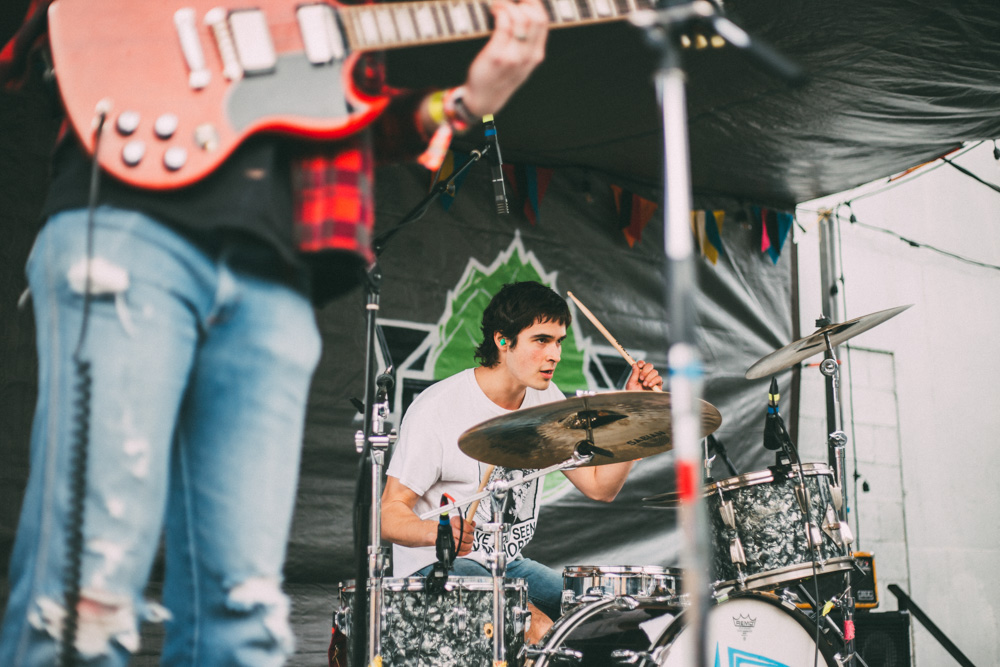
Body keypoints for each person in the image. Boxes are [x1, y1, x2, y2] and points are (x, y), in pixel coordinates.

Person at [0, 0, 550, 663]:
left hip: (276, 264)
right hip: (133, 215)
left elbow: (348, 117)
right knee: (86, 585)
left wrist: (466, 101)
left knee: (243, 610)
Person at [380, 281, 662, 643]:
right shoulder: (438, 408)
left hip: (507, 565)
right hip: (435, 569)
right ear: (502, 340)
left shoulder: (544, 402)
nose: (555, 354)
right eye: (541, 340)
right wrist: (438, 534)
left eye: (559, 341)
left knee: (609, 625)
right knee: (536, 628)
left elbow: (600, 487)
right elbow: (388, 514)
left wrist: (632, 410)